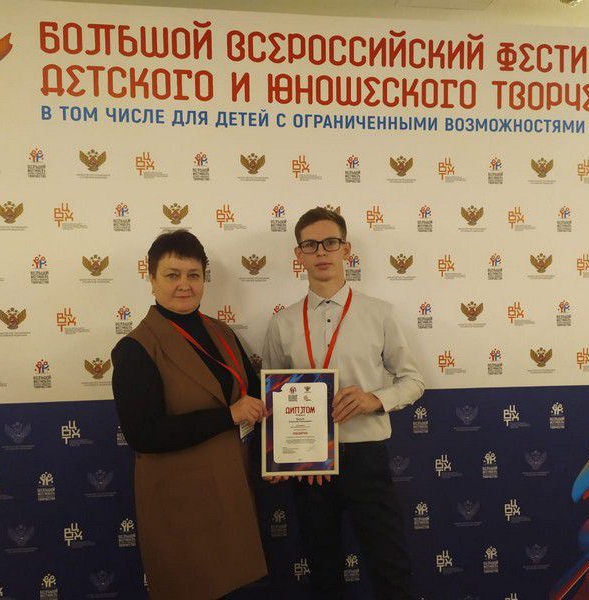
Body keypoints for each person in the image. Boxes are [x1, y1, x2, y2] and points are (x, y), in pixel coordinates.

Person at [262, 207, 424, 600]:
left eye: (330, 243)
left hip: (365, 456)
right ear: (298, 255)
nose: (321, 252)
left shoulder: (379, 313)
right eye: (310, 245)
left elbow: (413, 381)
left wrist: (375, 399)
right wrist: (282, 457)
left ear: (346, 250)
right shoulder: (282, 323)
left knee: (390, 568)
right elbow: (272, 399)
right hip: (310, 466)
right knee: (323, 573)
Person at [111, 230, 267, 600]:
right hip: (179, 499)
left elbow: (253, 394)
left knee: (228, 586)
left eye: (194, 275)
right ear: (151, 279)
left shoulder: (222, 332)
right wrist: (228, 416)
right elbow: (143, 434)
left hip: (228, 486)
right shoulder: (135, 347)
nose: (185, 285)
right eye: (172, 275)